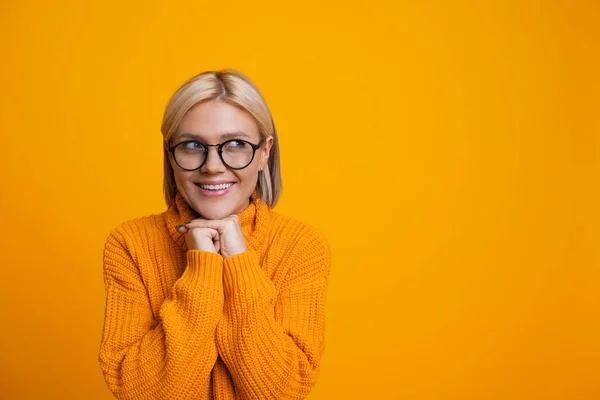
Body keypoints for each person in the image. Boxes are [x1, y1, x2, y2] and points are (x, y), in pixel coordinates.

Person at [98, 69, 331, 399]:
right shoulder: (131, 244)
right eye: (193, 145)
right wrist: (201, 270)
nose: (212, 165)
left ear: (264, 153)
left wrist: (239, 263)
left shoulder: (300, 246)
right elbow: (141, 392)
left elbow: (281, 392)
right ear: (170, 153)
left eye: (235, 144)